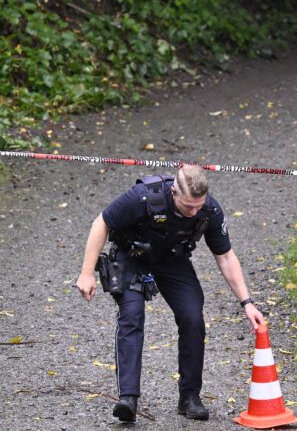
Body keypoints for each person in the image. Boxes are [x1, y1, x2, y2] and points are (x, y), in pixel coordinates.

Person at [75, 165, 264, 423]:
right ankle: (128, 398)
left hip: (173, 260)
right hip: (132, 258)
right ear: (173, 191)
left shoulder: (210, 209)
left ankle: (189, 397)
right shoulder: (142, 197)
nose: (194, 212)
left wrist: (247, 303)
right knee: (132, 314)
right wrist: (87, 272)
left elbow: (226, 257)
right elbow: (102, 222)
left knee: (193, 318)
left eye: (199, 206)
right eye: (188, 206)